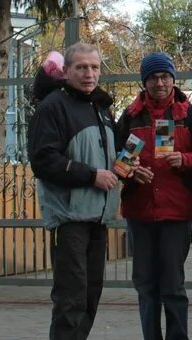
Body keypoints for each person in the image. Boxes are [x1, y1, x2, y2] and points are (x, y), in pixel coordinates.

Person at [29, 41, 122, 340]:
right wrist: (91, 176)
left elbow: (108, 156)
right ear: (66, 71)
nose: (89, 74)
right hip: (70, 218)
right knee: (71, 299)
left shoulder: (101, 108)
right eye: (81, 67)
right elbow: (43, 160)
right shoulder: (52, 107)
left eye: (94, 67)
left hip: (98, 216)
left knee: (90, 296)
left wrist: (126, 170)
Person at [115, 51, 192, 340]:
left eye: (165, 76)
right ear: (144, 82)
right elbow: (115, 160)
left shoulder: (189, 114)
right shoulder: (130, 116)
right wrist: (130, 171)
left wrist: (187, 159)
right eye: (153, 77)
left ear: (173, 79)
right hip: (140, 211)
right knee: (145, 285)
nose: (160, 83)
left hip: (176, 212)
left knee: (173, 286)